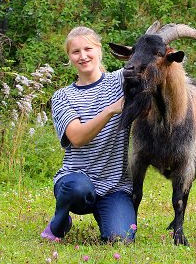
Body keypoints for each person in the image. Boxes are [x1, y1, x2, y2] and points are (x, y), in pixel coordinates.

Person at [41, 26, 136, 243]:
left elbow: (151, 71)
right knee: (77, 188)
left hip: (115, 186)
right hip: (77, 180)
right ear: (69, 58)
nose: (83, 56)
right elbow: (77, 137)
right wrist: (111, 109)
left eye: (88, 49)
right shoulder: (62, 97)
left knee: (121, 238)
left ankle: (110, 215)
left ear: (99, 50)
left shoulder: (121, 80)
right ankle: (60, 223)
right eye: (76, 52)